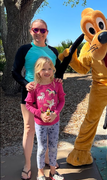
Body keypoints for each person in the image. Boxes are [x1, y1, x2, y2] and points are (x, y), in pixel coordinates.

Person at [12, 19, 67, 180]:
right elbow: (14, 71)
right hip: (30, 93)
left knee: (50, 129)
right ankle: (28, 165)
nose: (39, 33)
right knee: (29, 129)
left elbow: (58, 70)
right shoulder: (25, 49)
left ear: (47, 33)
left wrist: (59, 79)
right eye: (36, 30)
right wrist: (25, 84)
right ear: (31, 31)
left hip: (49, 96)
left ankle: (48, 161)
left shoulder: (53, 51)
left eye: (42, 30)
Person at [25, 56, 65, 180]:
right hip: (40, 124)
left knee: (53, 146)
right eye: (43, 69)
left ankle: (53, 172)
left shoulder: (57, 84)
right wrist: (39, 114)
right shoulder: (34, 86)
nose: (47, 72)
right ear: (37, 71)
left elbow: (62, 100)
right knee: (42, 148)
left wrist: (56, 113)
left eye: (49, 68)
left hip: (55, 122)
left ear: (53, 69)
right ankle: (40, 173)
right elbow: (28, 104)